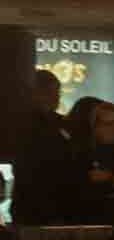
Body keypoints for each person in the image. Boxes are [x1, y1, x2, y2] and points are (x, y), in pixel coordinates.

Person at [8, 70, 73, 227]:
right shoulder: (27, 123)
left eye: (57, 92)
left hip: (34, 203)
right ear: (36, 93)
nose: (56, 97)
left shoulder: (20, 121)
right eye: (51, 92)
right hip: (38, 203)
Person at [72, 102, 114, 226]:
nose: (112, 128)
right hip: (94, 222)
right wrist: (112, 180)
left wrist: (107, 179)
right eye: (106, 123)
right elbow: (78, 192)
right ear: (96, 126)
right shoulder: (83, 153)